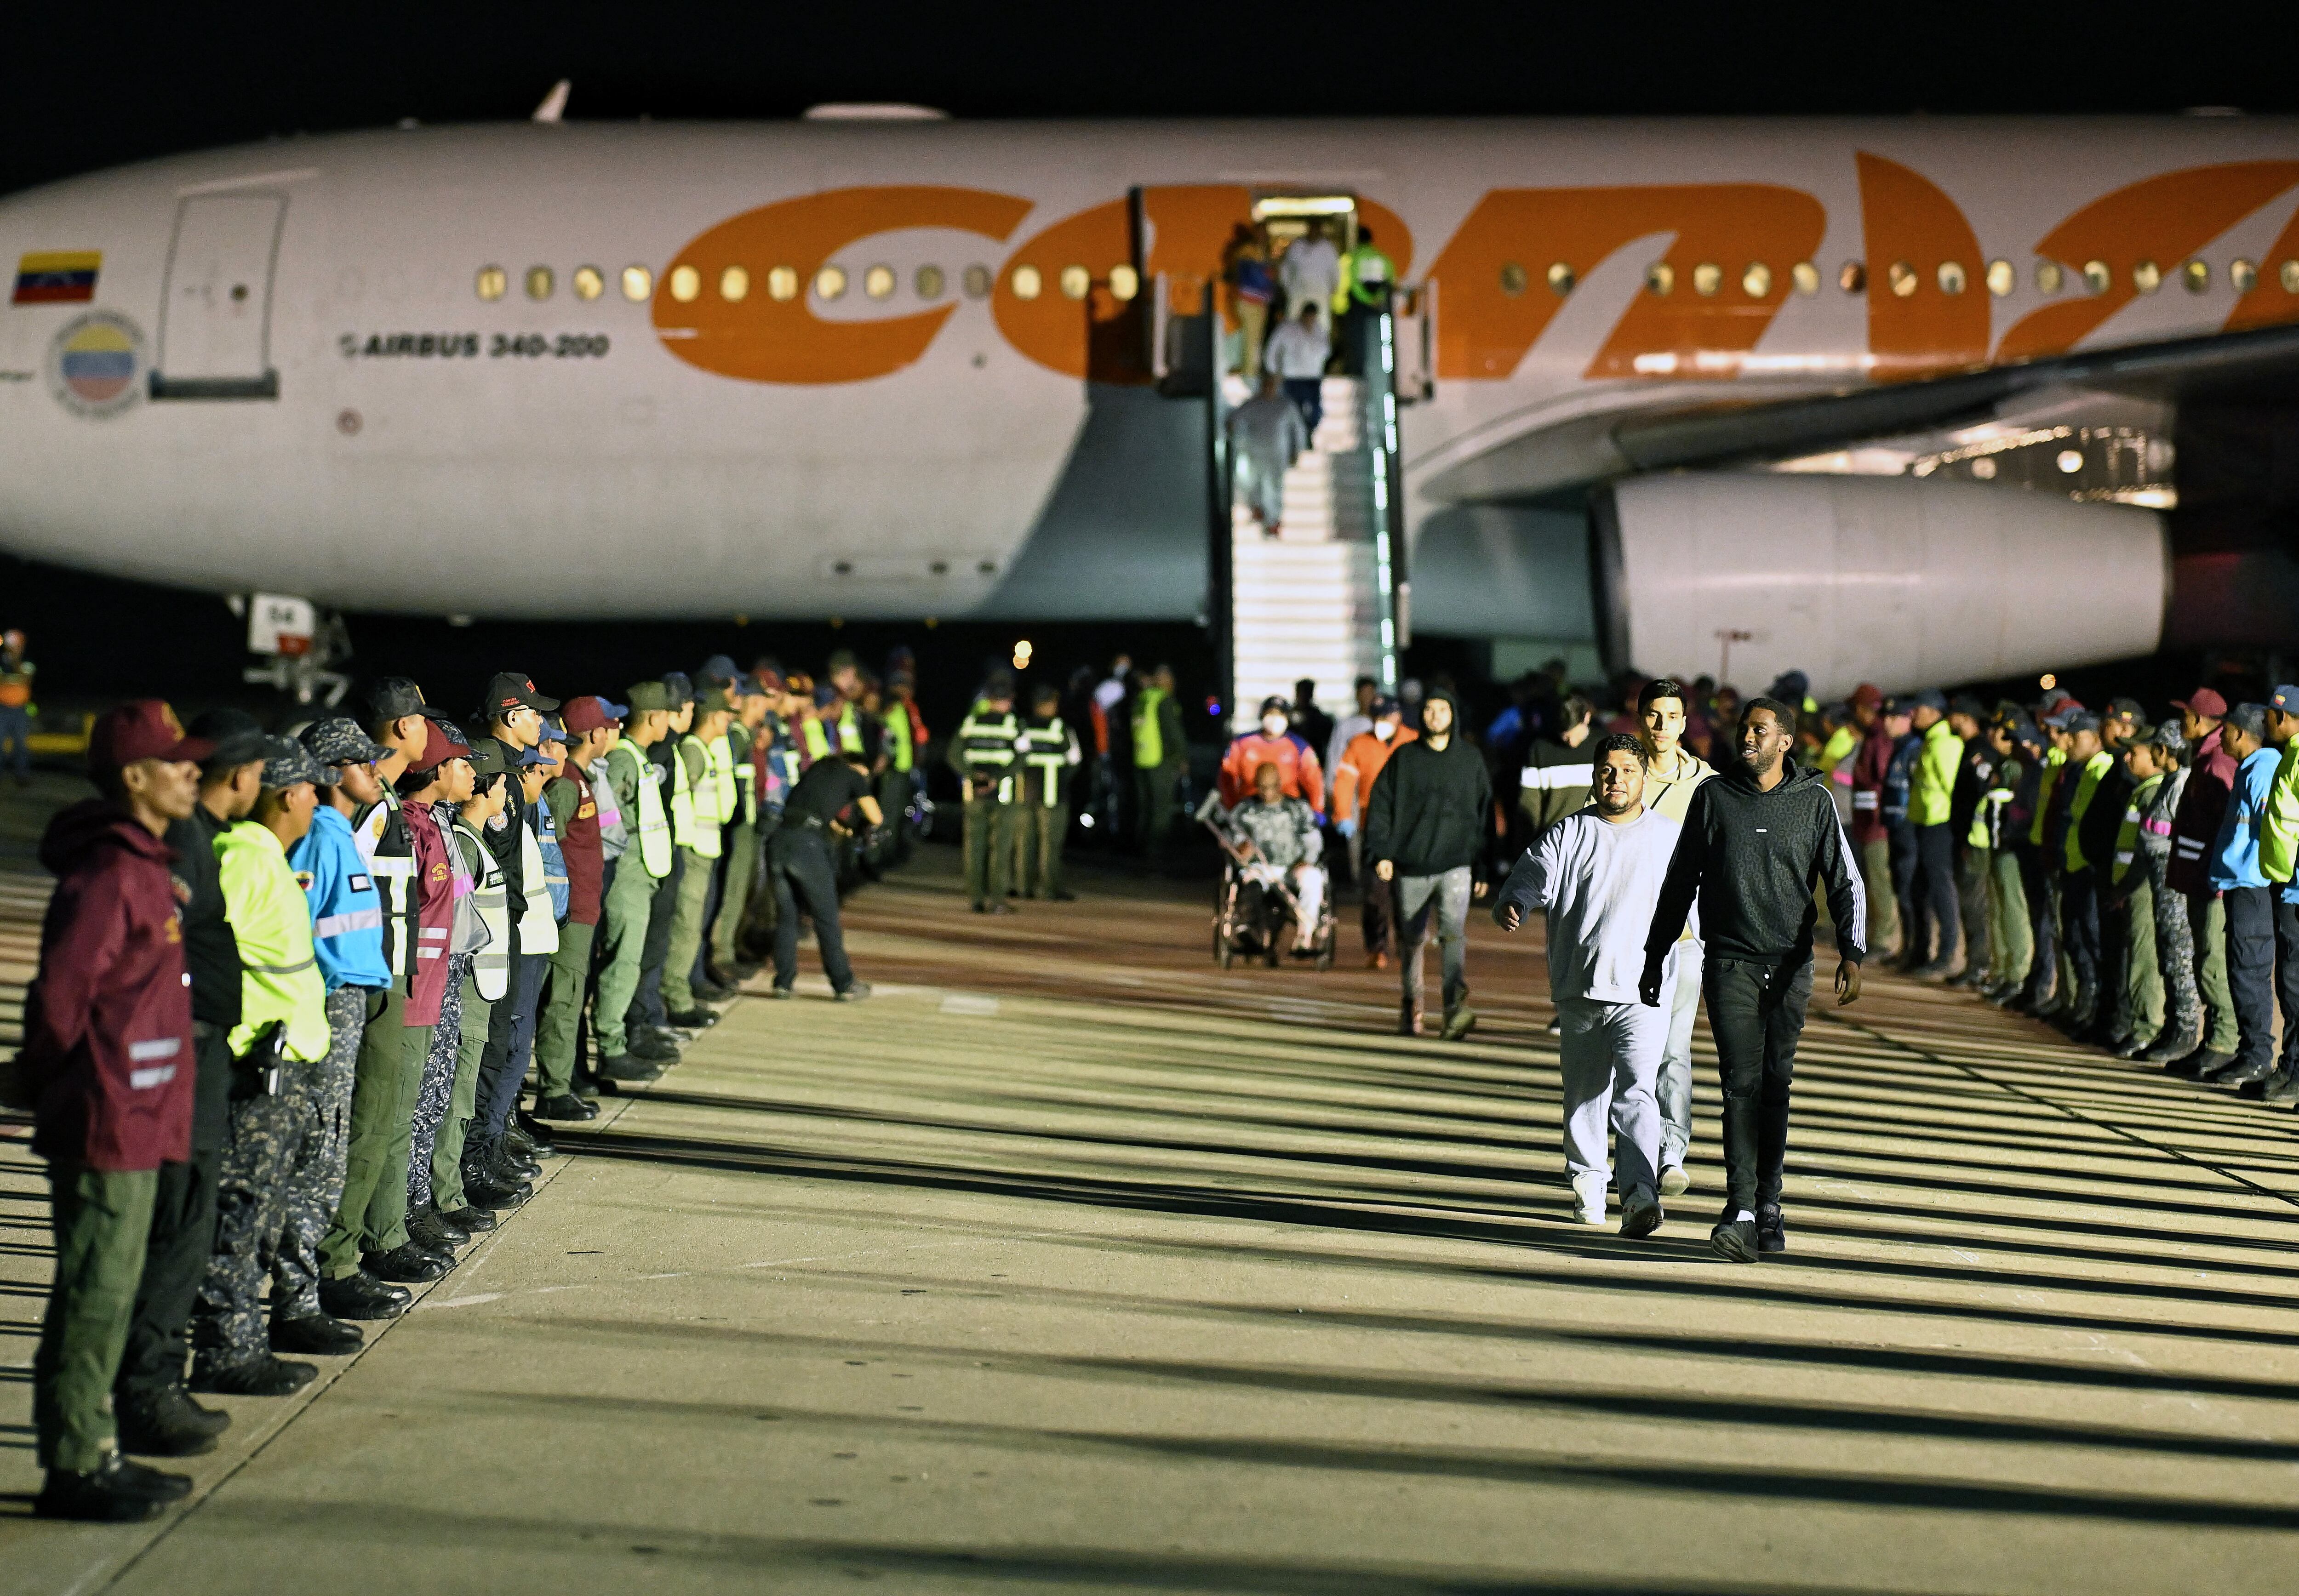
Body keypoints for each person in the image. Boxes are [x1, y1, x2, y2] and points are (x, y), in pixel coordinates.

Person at [10, 703, 206, 1519]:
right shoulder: (114, 874)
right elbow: (60, 998)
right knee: (96, 1290)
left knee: (111, 1288)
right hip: (107, 1117)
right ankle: (76, 1462)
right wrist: (46, 1080)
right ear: (134, 776)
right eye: (174, 762)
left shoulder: (144, 867)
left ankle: (94, 1447)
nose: (191, 771)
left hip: (138, 1113)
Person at [1641, 698, 1865, 1265]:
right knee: (1739, 1086)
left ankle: (1769, 1203)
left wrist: (1852, 952)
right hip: (1729, 963)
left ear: (1784, 742)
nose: (1747, 737)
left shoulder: (1814, 802)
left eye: (1759, 730)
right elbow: (1678, 882)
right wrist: (1655, 954)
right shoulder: (1713, 798)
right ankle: (1738, 1210)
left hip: (1790, 968)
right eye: (1744, 728)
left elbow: (1845, 881)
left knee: (1774, 1085)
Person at [100, 712, 263, 1458]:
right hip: (180, 1057)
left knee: (185, 1219)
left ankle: (154, 1381)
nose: (191, 774)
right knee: (174, 1225)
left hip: (198, 1051)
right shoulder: (163, 845)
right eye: (179, 764)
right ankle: (147, 1390)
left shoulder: (184, 835)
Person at [188, 735, 335, 1397]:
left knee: (261, 1209)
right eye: (310, 789)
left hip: (286, 1058)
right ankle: (227, 1352)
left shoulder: (267, 857)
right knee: (240, 1213)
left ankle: (244, 1342)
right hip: (257, 1061)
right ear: (287, 795)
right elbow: (215, 960)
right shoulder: (244, 860)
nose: (317, 800)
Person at [1495, 733, 1678, 1236]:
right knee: (1584, 1097)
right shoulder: (1567, 834)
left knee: (1638, 1093)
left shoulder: (1668, 837)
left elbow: (1704, 901)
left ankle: (1640, 1193)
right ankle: (1588, 1186)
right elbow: (1532, 874)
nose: (1615, 779)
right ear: (1595, 776)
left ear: (1644, 777)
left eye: (1626, 770)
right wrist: (1517, 900)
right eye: (1607, 770)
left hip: (1644, 991)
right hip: (1580, 988)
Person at [317, 695, 448, 1320]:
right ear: (403, 725)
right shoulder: (368, 813)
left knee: (390, 1120)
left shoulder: (387, 806)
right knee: (370, 1125)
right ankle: (342, 1258)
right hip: (372, 986)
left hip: (393, 979)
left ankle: (375, 1238)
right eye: (422, 718)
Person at [272, 719, 396, 1362]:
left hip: (348, 999)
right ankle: (299, 1296)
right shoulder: (320, 837)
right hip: (328, 1003)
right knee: (317, 1151)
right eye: (361, 763)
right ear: (329, 772)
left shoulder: (341, 832)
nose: (375, 771)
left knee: (331, 1145)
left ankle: (308, 1290)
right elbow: (299, 926)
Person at [1366, 690, 1493, 1040]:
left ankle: (1453, 1008)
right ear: (1420, 716)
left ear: (1453, 715)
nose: (1435, 716)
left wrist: (1483, 866)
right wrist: (1382, 853)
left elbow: (1483, 816)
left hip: (1456, 865)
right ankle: (1412, 1004)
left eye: (1442, 710)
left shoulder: (1470, 760)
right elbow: (1381, 807)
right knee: (1411, 939)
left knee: (1454, 935)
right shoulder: (1404, 758)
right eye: (1429, 710)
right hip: (1411, 865)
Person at [1636, 679, 1716, 1196]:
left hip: (1684, 939)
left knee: (1674, 1051)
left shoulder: (1706, 782)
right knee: (1625, 1054)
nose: (1661, 726)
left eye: (1671, 716)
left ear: (1685, 723)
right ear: (1639, 718)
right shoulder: (1619, 771)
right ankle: (1623, 1152)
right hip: (1625, 939)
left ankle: (1671, 1154)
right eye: (1652, 715)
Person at [534, 698, 615, 1118]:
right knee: (563, 1000)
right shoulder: (567, 783)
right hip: (570, 911)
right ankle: (554, 1090)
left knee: (566, 998)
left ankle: (562, 1080)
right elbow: (551, 848)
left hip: (581, 907)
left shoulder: (576, 778)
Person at [595, 683, 676, 1080]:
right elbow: (608, 813)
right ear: (654, 717)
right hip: (628, 872)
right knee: (622, 963)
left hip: (642, 872)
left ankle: (620, 1039)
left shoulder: (637, 758)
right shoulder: (626, 760)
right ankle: (612, 1047)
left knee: (628, 961)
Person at [2162, 687, 2238, 1073]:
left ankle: (2223, 1041)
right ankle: (2215, 1039)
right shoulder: (2206, 756)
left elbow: (2226, 825)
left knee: (2212, 960)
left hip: (2212, 884)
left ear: (2201, 719)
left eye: (2185, 715)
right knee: (2203, 957)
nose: (2181, 722)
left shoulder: (2218, 761)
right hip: (2199, 878)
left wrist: (2214, 875)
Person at [2202, 703, 2276, 1087]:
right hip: (2239, 883)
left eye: (2226, 730)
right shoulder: (2251, 768)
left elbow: (2270, 829)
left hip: (2252, 885)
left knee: (2249, 973)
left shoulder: (2262, 769)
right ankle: (2250, 1053)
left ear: (2243, 734)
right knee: (2241, 972)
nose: (2220, 737)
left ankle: (2257, 1057)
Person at [767, 749, 880, 1000]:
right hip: (806, 849)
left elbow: (818, 815)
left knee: (787, 917)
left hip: (779, 841)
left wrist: (844, 830)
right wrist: (866, 829)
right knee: (826, 917)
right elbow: (876, 817)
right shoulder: (853, 775)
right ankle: (844, 983)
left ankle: (783, 982)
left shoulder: (816, 773)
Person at [2102, 724, 2173, 1060]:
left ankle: (2148, 1028)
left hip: (2142, 888)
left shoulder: (2153, 792)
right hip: (2131, 887)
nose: (2128, 757)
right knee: (2135, 954)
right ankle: (2138, 1024)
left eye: (2136, 752)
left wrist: (2127, 885)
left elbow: (2148, 852)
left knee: (2145, 957)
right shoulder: (2141, 789)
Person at [1330, 697, 1413, 966]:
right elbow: (1344, 781)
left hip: (1408, 828)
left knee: (1407, 891)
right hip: (1372, 826)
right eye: (1377, 719)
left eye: (1386, 718)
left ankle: (1408, 943)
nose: (1381, 725)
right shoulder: (1359, 744)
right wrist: (1343, 814)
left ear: (1398, 717)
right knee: (1375, 892)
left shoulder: (1414, 742)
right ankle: (1377, 948)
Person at [2250, 685, 2299, 1094]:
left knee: (2295, 981)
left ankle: (2296, 1072)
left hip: (2296, 888)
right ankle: (2291, 1067)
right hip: (2286, 884)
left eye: (2269, 715)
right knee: (2290, 981)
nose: (2266, 722)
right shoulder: (2292, 756)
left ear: (2281, 717)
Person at [2053, 710, 2115, 1032]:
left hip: (2089, 868)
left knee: (2092, 938)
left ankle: (2096, 1009)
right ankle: (2085, 1002)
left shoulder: (2102, 769)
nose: (2068, 743)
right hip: (2074, 864)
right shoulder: (2083, 770)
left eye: (2075, 737)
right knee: (2075, 937)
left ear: (2093, 739)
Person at [1228, 759, 1327, 957]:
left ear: (1280, 784)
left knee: (1313, 878)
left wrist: (1307, 859)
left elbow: (1313, 838)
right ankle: (1249, 931)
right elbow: (1235, 841)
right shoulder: (1245, 811)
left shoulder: (1297, 809)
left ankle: (1304, 938)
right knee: (1249, 880)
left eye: (1271, 787)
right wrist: (1241, 850)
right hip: (1260, 868)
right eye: (1262, 787)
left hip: (1292, 867)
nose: (1266, 792)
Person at [1904, 690, 1966, 979]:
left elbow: (1953, 789)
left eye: (1918, 708)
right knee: (1922, 890)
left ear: (1933, 711)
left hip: (1939, 826)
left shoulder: (1944, 744)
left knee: (1942, 890)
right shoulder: (1930, 742)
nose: (1913, 714)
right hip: (1925, 824)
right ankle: (1923, 951)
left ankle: (1947, 954)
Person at [952, 672, 1024, 912]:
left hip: (974, 794)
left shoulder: (971, 722)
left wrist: (973, 775)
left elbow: (953, 755)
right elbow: (1022, 758)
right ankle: (997, 900)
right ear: (1008, 700)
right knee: (1000, 848)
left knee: (974, 847)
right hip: (1003, 795)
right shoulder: (1015, 724)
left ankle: (976, 899)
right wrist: (998, 778)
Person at [1015, 682, 1081, 901]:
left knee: (1025, 842)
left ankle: (1024, 888)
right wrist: (1061, 780)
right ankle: (1049, 889)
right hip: (1054, 795)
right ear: (1051, 704)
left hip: (1025, 794)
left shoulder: (1021, 726)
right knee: (1050, 845)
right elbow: (1075, 761)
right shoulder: (1062, 728)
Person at [1846, 684, 1898, 958]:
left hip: (1876, 825)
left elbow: (1879, 781)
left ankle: (1884, 939)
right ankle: (1873, 935)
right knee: (1871, 880)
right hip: (1867, 822)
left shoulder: (1879, 739)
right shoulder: (1872, 737)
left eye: (1857, 708)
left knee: (1879, 881)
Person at [1227, 373, 1308, 537]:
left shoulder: (1286, 406)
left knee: (1275, 486)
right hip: (1255, 453)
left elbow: (1298, 430)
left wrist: (1297, 451)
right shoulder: (1254, 405)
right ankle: (1259, 510)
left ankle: (1274, 521)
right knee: (1253, 483)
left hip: (1278, 454)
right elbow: (1234, 420)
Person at [1219, 696, 1326, 813]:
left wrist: (1317, 809)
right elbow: (1227, 777)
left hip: (1288, 811)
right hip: (1250, 809)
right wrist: (1232, 807)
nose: (1275, 719)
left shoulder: (1300, 746)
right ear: (1262, 716)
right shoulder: (1242, 743)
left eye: (1280, 715)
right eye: (1270, 714)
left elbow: (1314, 780)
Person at [1519, 693, 1595, 839]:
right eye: (1565, 736)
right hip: (1553, 841)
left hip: (1593, 840)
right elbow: (1529, 805)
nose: (1572, 742)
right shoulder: (1541, 750)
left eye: (1576, 733)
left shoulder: (1604, 746)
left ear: (1587, 718)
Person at [1132, 664, 1186, 854]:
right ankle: (1156, 854)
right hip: (1161, 762)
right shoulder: (1164, 700)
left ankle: (1140, 851)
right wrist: (1181, 759)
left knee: (1145, 808)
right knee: (1161, 810)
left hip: (1141, 760)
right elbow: (1174, 735)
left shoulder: (1142, 698)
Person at [1262, 301, 1332, 435]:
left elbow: (1326, 351)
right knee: (1295, 410)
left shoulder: (1319, 330)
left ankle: (1309, 431)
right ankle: (1299, 436)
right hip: (1292, 377)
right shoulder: (1287, 329)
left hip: (1313, 377)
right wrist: (1273, 371)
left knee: (1316, 410)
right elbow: (1272, 349)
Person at [1335, 223, 1395, 370]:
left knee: (1357, 342)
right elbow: (1391, 281)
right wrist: (1377, 299)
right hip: (1379, 307)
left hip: (1358, 308)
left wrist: (1367, 300)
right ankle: (1379, 371)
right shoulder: (1382, 258)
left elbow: (1353, 283)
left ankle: (1357, 372)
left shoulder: (1352, 257)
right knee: (1380, 341)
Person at [1226, 225, 1275, 377]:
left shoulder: (1264, 252)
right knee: (1250, 339)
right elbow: (1250, 274)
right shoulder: (1247, 251)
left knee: (1256, 340)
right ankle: (1249, 375)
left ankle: (1251, 371)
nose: (1263, 237)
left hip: (1260, 302)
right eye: (1260, 233)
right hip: (1248, 301)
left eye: (1265, 234)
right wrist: (1268, 272)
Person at [1277, 220, 1340, 327]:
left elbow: (1335, 271)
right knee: (1293, 321)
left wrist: (1333, 288)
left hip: (1320, 292)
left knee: (1322, 324)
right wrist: (1287, 288)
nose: (1314, 232)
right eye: (1312, 229)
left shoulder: (1328, 248)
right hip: (1298, 291)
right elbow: (1286, 268)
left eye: (1317, 229)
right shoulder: (1297, 247)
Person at [1326, 676, 1379, 793]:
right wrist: (1331, 787)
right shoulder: (1346, 725)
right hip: (1351, 785)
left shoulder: (1383, 725)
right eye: (1364, 694)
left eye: (1371, 694)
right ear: (1357, 696)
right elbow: (1335, 755)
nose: (1368, 698)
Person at [0, 626, 33, 786]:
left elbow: (26, 678)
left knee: (21, 745)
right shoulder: (1, 662)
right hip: (2, 709)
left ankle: (22, 776)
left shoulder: (27, 663)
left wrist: (14, 661)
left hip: (20, 710)